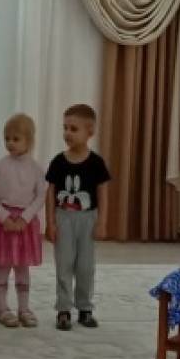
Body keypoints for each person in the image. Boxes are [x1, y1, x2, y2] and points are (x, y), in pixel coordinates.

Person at [45, 103, 111, 331]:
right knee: (63, 264)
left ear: (90, 131)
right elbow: (50, 193)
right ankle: (63, 309)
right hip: (63, 218)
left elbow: (102, 194)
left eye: (74, 129)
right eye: (65, 128)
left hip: (88, 219)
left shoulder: (96, 163)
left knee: (85, 267)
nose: (67, 133)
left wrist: (102, 222)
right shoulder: (58, 162)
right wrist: (50, 222)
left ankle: (85, 308)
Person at [0, 113, 46, 328]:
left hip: (24, 225)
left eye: (16, 139)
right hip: (4, 224)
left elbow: (40, 196)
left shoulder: (36, 168)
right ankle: (2, 308)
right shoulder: (0, 166)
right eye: (7, 138)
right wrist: (4, 218)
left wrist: (25, 219)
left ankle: (24, 308)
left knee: (22, 267)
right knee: (3, 265)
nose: (10, 143)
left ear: (29, 140)